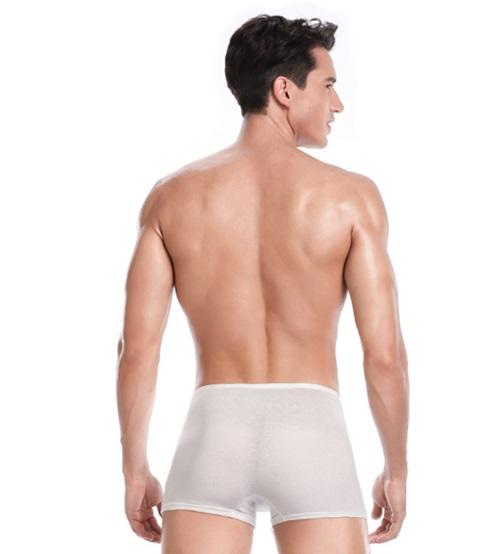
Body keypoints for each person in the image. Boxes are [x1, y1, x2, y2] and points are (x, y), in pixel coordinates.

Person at [116, 13, 408, 554]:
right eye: (328, 85)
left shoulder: (170, 197)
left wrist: (135, 470)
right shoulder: (351, 198)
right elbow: (384, 354)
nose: (337, 104)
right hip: (312, 437)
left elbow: (136, 349)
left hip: (212, 438)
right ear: (284, 91)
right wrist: (396, 469)